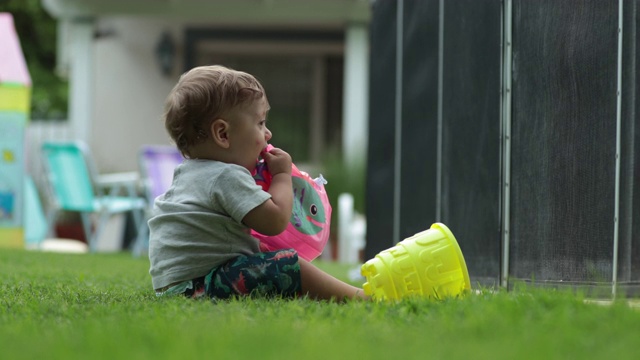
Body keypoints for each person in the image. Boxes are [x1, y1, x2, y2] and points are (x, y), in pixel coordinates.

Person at [148, 65, 368, 302]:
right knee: (287, 263)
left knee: (264, 254)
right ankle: (358, 297)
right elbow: (274, 221)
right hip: (203, 285)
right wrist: (282, 175)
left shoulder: (188, 174)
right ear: (223, 134)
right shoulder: (226, 176)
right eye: (260, 123)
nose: (268, 134)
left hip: (174, 287)